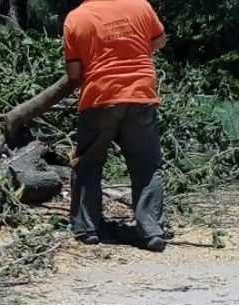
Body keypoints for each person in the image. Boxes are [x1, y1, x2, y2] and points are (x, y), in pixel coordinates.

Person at [63, 0, 168, 252]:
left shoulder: (76, 19)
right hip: (140, 94)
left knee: (88, 163)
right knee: (146, 165)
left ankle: (87, 229)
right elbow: (159, 41)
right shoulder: (140, 6)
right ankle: (151, 231)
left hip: (99, 98)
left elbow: (74, 73)